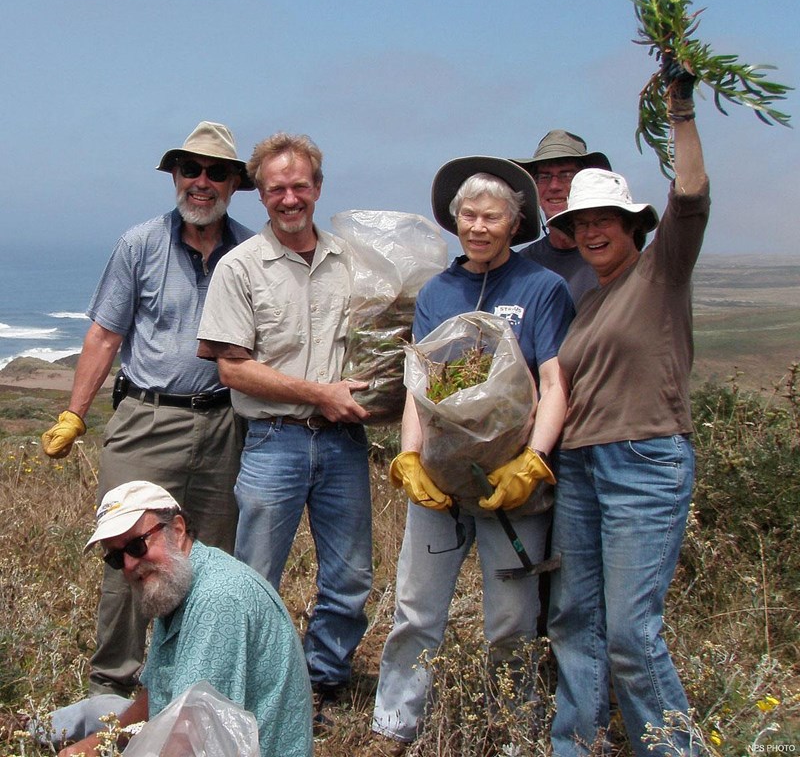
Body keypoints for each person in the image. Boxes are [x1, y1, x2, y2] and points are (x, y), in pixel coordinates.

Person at [40, 121, 254, 696]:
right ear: (175, 177)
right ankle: (113, 689)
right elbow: (105, 335)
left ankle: (193, 687)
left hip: (225, 425)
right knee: (130, 555)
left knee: (207, 561)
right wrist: (75, 414)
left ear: (235, 183)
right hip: (146, 420)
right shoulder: (139, 243)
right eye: (190, 170)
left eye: (216, 172)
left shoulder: (253, 251)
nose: (201, 183)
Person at [371, 156, 574, 751]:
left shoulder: (543, 288)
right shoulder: (439, 291)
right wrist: (410, 457)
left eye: (492, 216)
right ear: (453, 220)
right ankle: (394, 724)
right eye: (468, 215)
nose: (478, 226)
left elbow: (555, 380)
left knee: (511, 620)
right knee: (416, 609)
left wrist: (534, 461)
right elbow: (421, 382)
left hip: (512, 486)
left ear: (515, 223)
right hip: (441, 483)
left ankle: (514, 729)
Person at [545, 61, 709, 756]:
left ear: (633, 223)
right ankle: (574, 746)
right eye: (580, 222)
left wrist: (680, 108)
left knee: (630, 635)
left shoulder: (660, 269)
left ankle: (674, 750)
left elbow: (693, 195)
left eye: (605, 218)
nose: (591, 230)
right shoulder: (587, 301)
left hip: (644, 460)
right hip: (580, 468)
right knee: (576, 620)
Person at [196, 132, 373, 722]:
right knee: (254, 580)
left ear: (318, 188)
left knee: (350, 578)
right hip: (274, 440)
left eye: (300, 186)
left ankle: (321, 682)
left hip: (345, 444)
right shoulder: (239, 268)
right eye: (277, 189)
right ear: (261, 196)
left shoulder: (354, 262)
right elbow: (231, 367)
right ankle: (252, 693)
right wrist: (319, 394)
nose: (290, 198)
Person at [58, 480, 313, 757]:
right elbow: (158, 693)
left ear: (177, 530)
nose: (130, 564)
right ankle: (24, 725)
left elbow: (191, 739)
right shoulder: (175, 582)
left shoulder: (218, 598)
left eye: (136, 546)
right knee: (94, 711)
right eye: (117, 558)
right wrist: (98, 745)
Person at [513, 130, 611, 304]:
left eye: (566, 175)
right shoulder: (521, 267)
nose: (554, 186)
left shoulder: (612, 257)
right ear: (533, 187)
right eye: (544, 176)